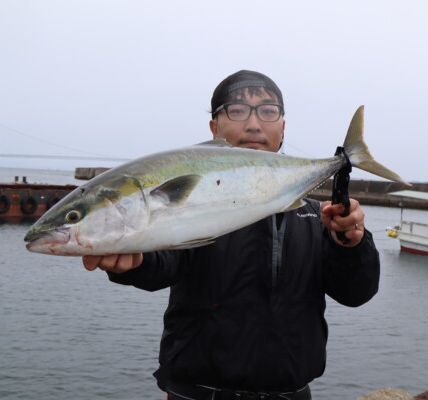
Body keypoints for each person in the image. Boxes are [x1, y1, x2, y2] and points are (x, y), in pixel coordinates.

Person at [83, 70, 380, 400]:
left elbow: (356, 293)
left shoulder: (316, 215)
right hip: (196, 393)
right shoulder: (193, 202)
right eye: (237, 111)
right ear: (214, 128)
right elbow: (163, 262)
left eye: (268, 111)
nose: (253, 124)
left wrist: (351, 243)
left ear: (282, 128)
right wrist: (133, 260)